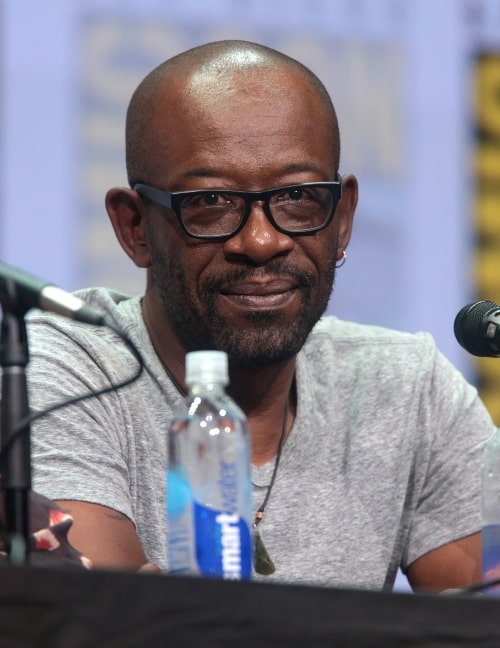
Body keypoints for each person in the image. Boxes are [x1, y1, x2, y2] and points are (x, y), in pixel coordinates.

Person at [26, 39, 494, 591]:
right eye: (212, 203)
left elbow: (482, 630)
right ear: (135, 228)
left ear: (341, 219)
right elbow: (111, 634)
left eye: (298, 196)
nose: (263, 240)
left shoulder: (405, 386)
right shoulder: (66, 370)